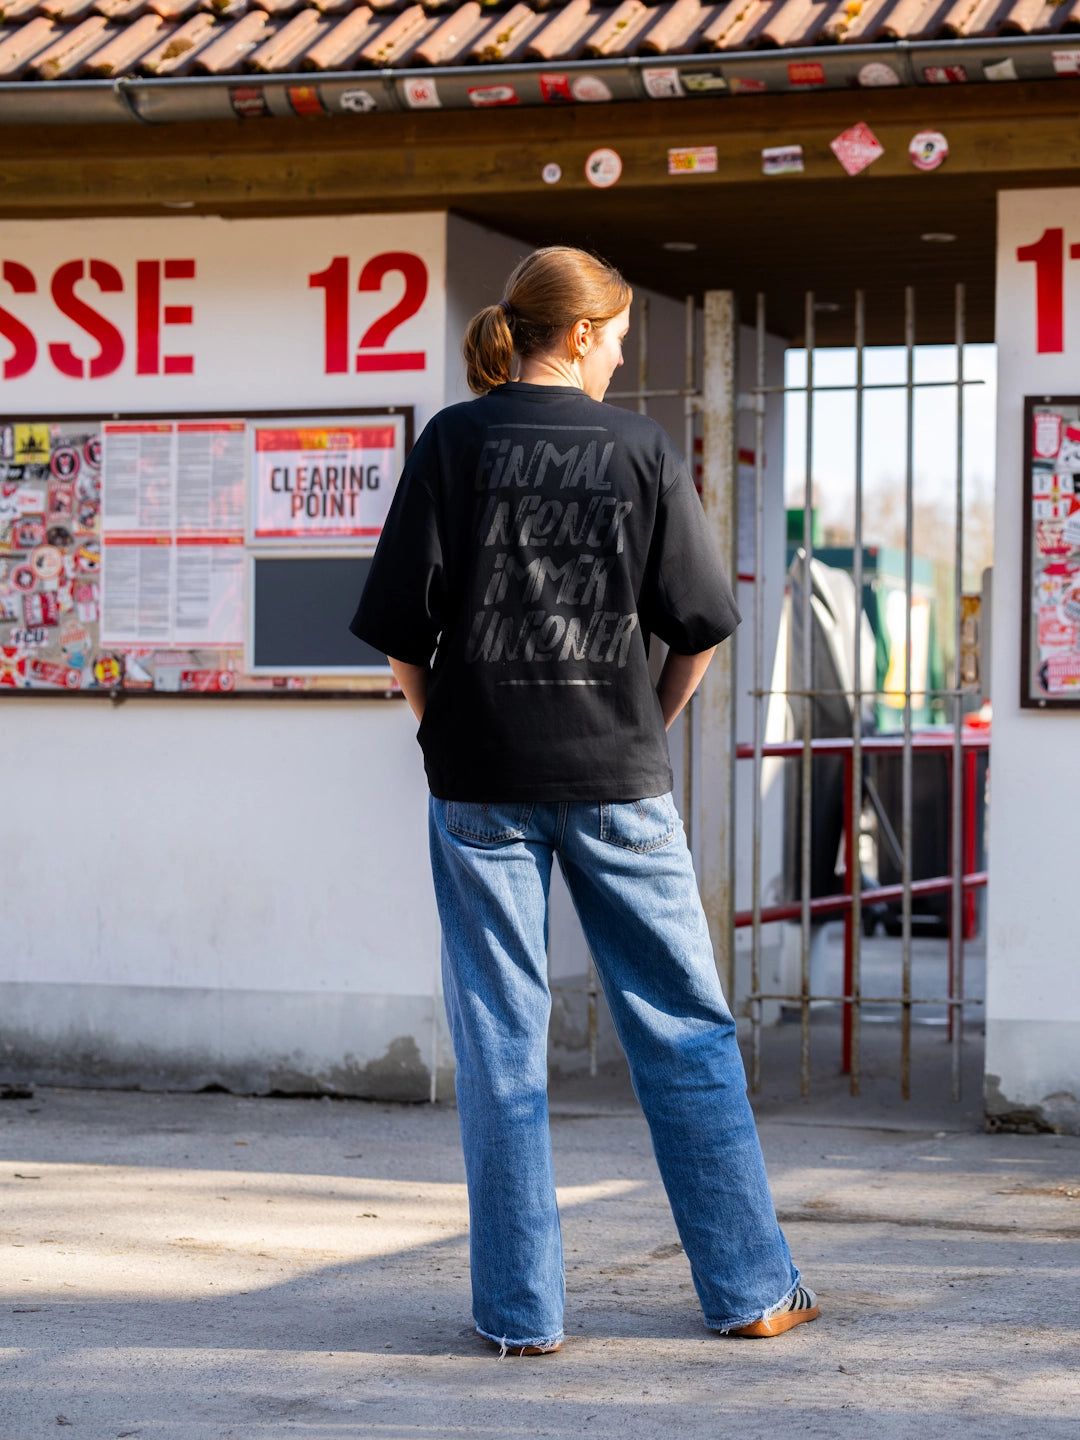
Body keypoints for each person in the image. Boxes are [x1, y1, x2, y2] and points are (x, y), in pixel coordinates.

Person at [347, 245, 819, 1358]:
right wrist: (644, 723)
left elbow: (401, 635)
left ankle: (522, 1316)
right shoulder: (640, 450)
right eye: (615, 339)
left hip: (479, 783)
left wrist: (441, 727)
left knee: (501, 1042)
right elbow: (700, 629)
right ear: (578, 334)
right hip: (618, 778)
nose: (617, 358)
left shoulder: (452, 442)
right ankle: (752, 1291)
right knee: (686, 1029)